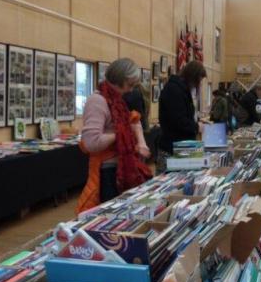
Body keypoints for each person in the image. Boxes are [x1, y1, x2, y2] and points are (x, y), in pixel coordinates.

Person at [78, 58, 152, 213]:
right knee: (109, 215)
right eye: (130, 84)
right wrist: (120, 134)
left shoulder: (116, 99)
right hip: (108, 173)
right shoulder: (97, 101)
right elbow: (91, 142)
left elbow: (133, 121)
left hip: (121, 167)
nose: (131, 90)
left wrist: (140, 141)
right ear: (120, 80)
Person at [157, 61, 207, 173]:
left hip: (181, 147)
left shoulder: (181, 89)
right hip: (172, 148)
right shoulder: (174, 90)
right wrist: (196, 127)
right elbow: (179, 120)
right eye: (199, 79)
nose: (198, 84)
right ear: (193, 76)